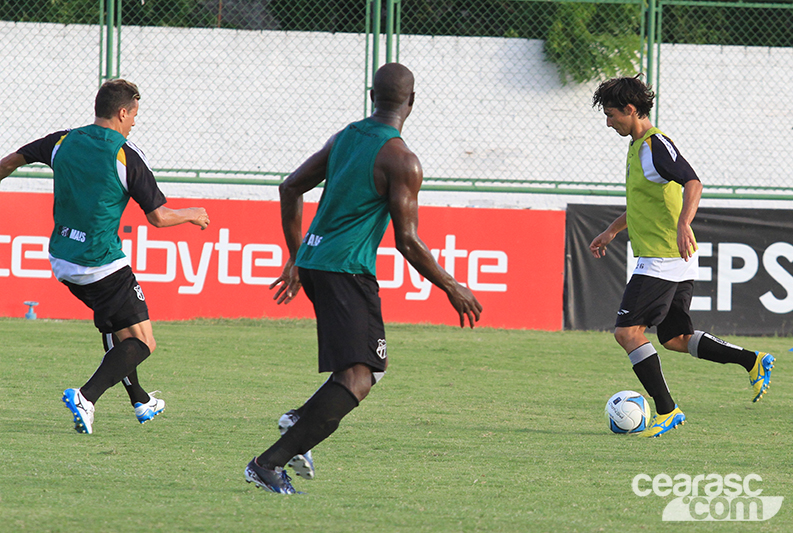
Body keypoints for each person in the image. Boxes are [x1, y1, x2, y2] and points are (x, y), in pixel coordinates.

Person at [244, 63, 483, 494]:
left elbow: (290, 187)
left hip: (319, 265)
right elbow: (407, 241)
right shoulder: (402, 159)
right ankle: (270, 462)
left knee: (365, 367)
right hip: (347, 271)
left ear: (372, 95)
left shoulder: (344, 138)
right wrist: (453, 286)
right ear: (411, 101)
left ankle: (299, 422)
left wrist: (298, 255)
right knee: (360, 377)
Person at [0, 79, 210, 434]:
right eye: (134, 116)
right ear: (122, 112)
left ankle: (140, 400)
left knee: (116, 329)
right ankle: (86, 396)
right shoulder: (125, 154)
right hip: (101, 262)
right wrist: (192, 213)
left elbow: (9, 162)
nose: (134, 123)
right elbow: (158, 216)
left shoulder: (62, 141)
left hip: (63, 259)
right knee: (142, 341)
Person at [589, 76, 774, 438]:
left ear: (630, 110)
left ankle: (667, 409)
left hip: (662, 258)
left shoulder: (655, 145)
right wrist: (612, 230)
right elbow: (646, 204)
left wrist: (684, 223)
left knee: (627, 333)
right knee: (674, 337)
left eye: (611, 115)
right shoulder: (638, 146)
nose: (608, 122)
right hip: (673, 258)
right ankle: (751, 360)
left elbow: (693, 181)